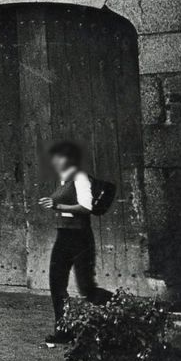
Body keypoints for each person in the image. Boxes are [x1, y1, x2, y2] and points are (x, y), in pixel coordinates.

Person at [37, 140, 112, 344]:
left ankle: (119, 306)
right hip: (64, 235)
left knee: (86, 287)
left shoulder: (79, 177)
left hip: (80, 237)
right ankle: (63, 331)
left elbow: (86, 208)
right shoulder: (64, 179)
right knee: (57, 284)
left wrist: (57, 204)